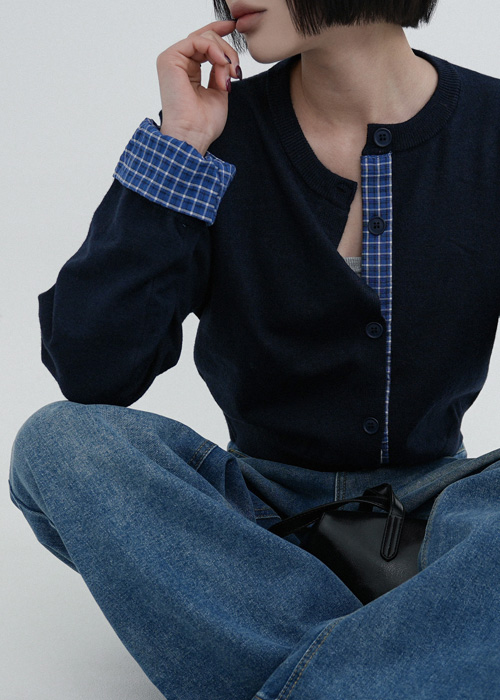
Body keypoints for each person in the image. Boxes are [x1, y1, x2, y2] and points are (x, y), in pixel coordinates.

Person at [9, 0, 500, 697]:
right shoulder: (218, 133)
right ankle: (416, 657)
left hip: (441, 524)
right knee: (59, 445)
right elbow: (92, 369)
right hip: (250, 529)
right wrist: (181, 146)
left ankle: (298, 661)